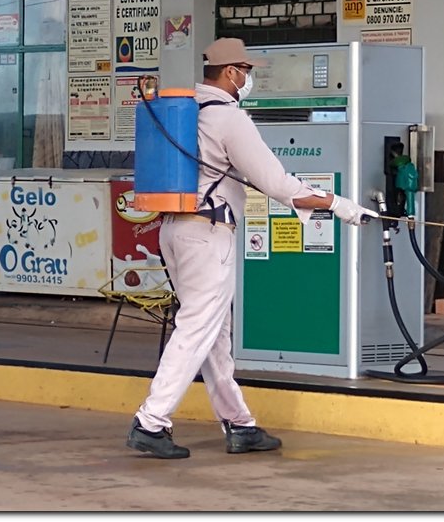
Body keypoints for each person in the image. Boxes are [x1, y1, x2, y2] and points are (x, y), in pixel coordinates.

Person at [126, 37, 378, 459]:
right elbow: (279, 185)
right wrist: (339, 205)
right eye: (247, 71)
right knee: (196, 329)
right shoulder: (228, 118)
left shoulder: (186, 112)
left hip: (174, 228)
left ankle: (240, 425)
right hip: (208, 234)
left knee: (214, 335)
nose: (249, 80)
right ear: (231, 73)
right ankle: (151, 422)